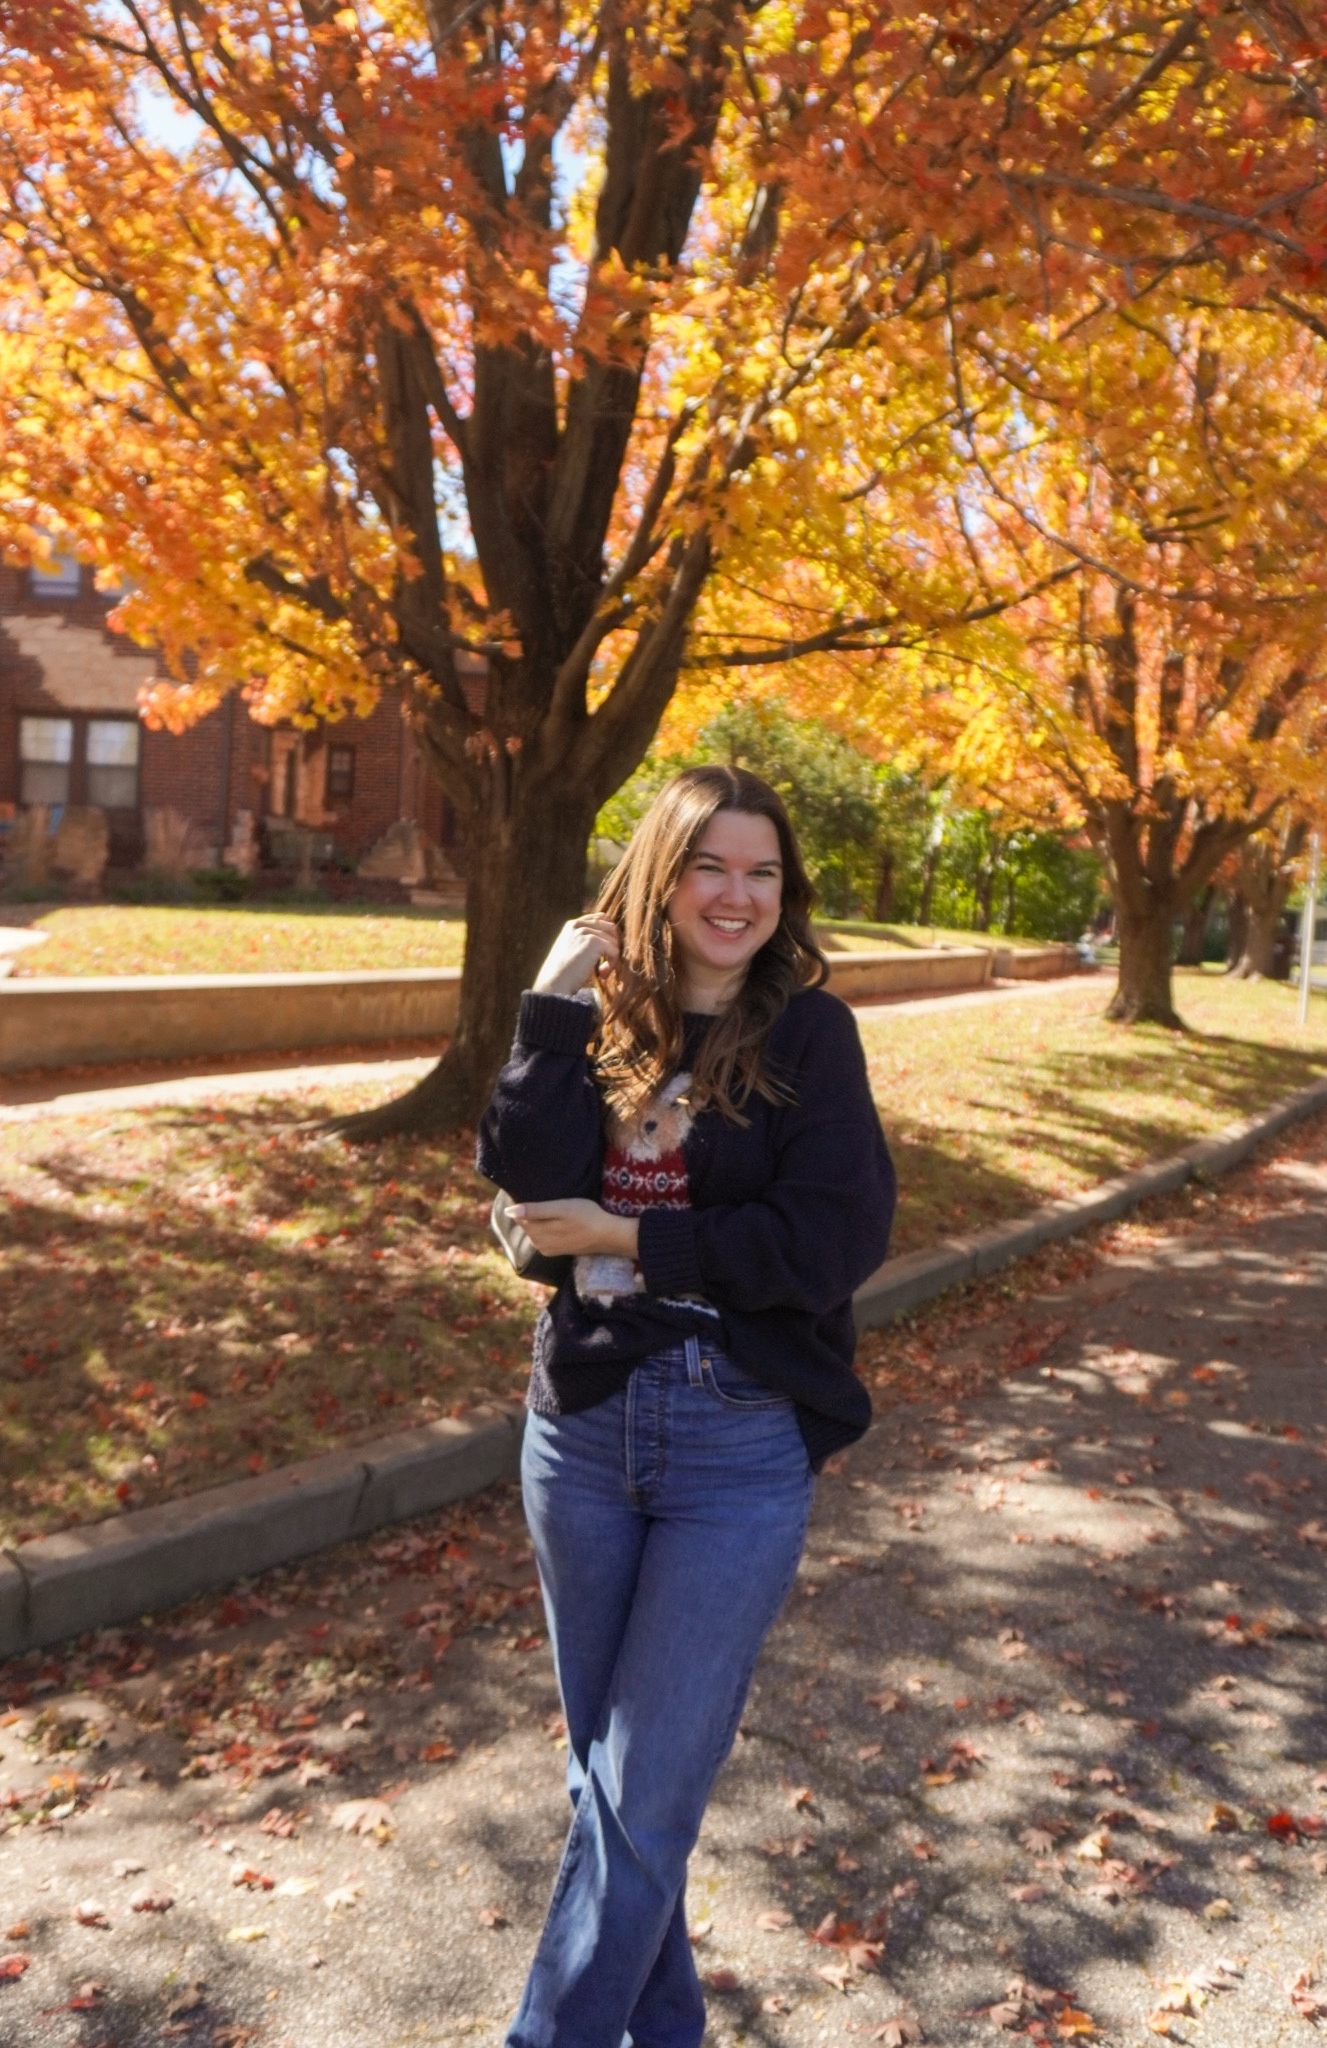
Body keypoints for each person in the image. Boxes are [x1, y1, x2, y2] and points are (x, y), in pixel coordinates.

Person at [477, 765, 896, 2048]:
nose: (736, 893)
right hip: (583, 1421)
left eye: (761, 870)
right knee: (607, 1779)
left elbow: (834, 1235)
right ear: (659, 879)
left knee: (644, 1785)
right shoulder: (599, 1022)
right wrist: (550, 1003)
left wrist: (630, 1236)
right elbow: (520, 1178)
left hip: (736, 1433)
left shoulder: (809, 1036)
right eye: (710, 865)